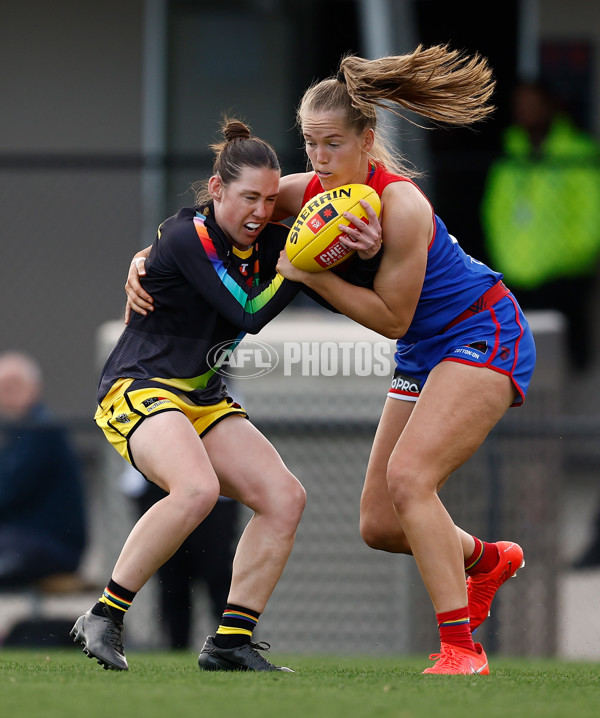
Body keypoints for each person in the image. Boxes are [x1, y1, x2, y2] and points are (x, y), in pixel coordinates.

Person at [126, 45, 536, 675]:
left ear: (367, 140)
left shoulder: (401, 206)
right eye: (311, 144)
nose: (318, 159)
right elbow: (214, 220)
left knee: (409, 481)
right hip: (424, 350)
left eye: (333, 144)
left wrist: (308, 272)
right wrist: (150, 257)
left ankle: (461, 649)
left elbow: (392, 317)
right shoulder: (308, 193)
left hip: (480, 331)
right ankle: (483, 560)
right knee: (378, 522)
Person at [73, 118, 379, 673]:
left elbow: (345, 292)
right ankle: (104, 615)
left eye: (269, 199)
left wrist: (363, 250)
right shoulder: (186, 235)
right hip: (138, 384)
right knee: (196, 490)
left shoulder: (271, 243)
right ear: (216, 190)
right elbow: (247, 314)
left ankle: (231, 642)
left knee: (285, 498)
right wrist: (296, 272)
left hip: (203, 396)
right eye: (247, 198)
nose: (261, 212)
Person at [481, 80, 600, 372]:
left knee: (570, 360)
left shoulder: (579, 152)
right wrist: (507, 257)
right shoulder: (510, 154)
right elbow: (494, 213)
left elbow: (591, 214)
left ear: (551, 106)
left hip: (565, 274)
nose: (526, 112)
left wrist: (571, 256)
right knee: (517, 355)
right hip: (515, 275)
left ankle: (573, 416)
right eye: (521, 106)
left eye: (533, 104)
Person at [121, 462, 240, 649]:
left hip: (216, 485)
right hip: (156, 480)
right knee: (170, 579)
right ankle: (174, 647)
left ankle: (234, 644)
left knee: (218, 575)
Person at [0, 351, 87, 587]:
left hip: (51, 546)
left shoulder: (41, 429)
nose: (6, 393)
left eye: (14, 385)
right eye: (2, 387)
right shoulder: (19, 431)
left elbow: (10, 490)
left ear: (35, 387)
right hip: (25, 540)